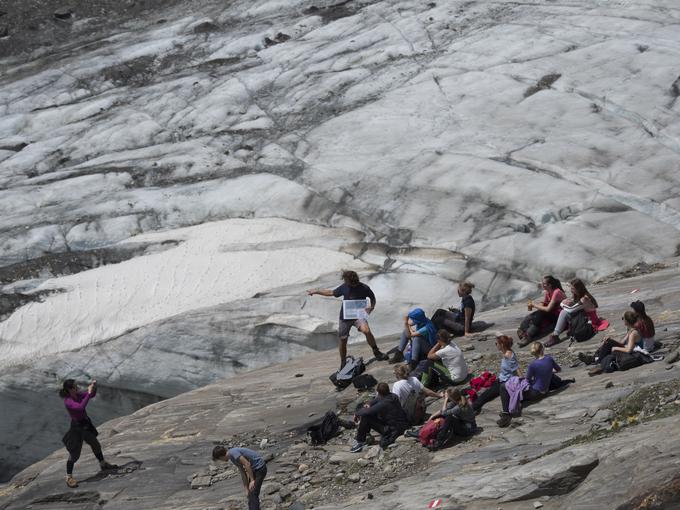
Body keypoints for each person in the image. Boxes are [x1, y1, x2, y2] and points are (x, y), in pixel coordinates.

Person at [307, 270, 388, 369]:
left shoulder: (364, 288)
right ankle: (343, 362)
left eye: (346, 281)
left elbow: (372, 298)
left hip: (359, 315)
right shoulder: (344, 287)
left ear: (352, 280)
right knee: (343, 339)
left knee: (366, 331)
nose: (346, 283)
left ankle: (376, 351)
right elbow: (332, 292)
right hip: (345, 317)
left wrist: (371, 307)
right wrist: (316, 291)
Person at [497, 342, 573, 427]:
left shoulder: (533, 365)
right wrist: (548, 372)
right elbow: (558, 369)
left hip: (535, 393)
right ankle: (513, 406)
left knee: (504, 387)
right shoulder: (549, 359)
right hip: (545, 390)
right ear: (542, 349)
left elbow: (528, 380)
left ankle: (506, 414)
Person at [59, 379, 117, 488]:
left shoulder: (77, 394)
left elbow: (91, 395)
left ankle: (103, 464)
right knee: (74, 455)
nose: (78, 388)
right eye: (76, 386)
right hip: (77, 428)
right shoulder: (68, 401)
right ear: (70, 389)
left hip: (85, 425)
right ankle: (68, 477)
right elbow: (80, 408)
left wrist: (93, 387)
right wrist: (89, 393)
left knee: (95, 444)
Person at [351, 382, 409, 452]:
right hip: (400, 425)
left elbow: (367, 412)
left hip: (392, 429)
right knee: (369, 414)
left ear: (378, 392)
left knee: (367, 417)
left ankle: (360, 441)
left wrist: (356, 413)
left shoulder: (384, 403)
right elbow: (377, 399)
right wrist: (369, 403)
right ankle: (366, 434)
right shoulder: (393, 396)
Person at [545, 278, 602, 347]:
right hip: (583, 317)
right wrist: (568, 302)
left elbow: (571, 310)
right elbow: (573, 305)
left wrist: (562, 304)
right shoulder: (578, 295)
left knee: (564, 312)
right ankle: (555, 335)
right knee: (565, 312)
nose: (571, 290)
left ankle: (555, 335)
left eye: (572, 288)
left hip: (590, 321)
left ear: (578, 289)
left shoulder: (584, 298)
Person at [581, 311, 642, 375]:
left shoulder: (634, 333)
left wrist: (616, 348)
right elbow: (622, 342)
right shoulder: (630, 330)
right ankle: (595, 359)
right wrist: (612, 340)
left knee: (609, 345)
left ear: (626, 321)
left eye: (623, 318)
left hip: (635, 352)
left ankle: (596, 361)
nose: (622, 320)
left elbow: (629, 350)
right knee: (608, 341)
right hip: (628, 348)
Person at [472, 334, 521, 412]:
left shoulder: (508, 355)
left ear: (501, 345)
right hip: (502, 379)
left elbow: (516, 368)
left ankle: (472, 408)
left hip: (505, 382)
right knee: (484, 388)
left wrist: (521, 381)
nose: (495, 345)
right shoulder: (506, 352)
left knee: (485, 396)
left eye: (496, 343)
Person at [213, 445, 267, 510]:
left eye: (219, 459)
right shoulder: (232, 458)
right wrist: (246, 488)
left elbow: (247, 464)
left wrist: (252, 480)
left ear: (221, 456)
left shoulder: (233, 453)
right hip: (254, 470)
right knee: (250, 494)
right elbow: (242, 472)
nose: (221, 461)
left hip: (260, 468)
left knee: (253, 493)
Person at [517, 275, 566, 347]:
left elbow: (548, 309)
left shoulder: (556, 292)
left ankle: (528, 336)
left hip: (559, 316)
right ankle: (523, 330)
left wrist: (534, 305)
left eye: (544, 284)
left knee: (540, 313)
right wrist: (540, 305)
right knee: (533, 315)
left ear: (549, 285)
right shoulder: (548, 291)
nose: (542, 285)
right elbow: (545, 303)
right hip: (552, 313)